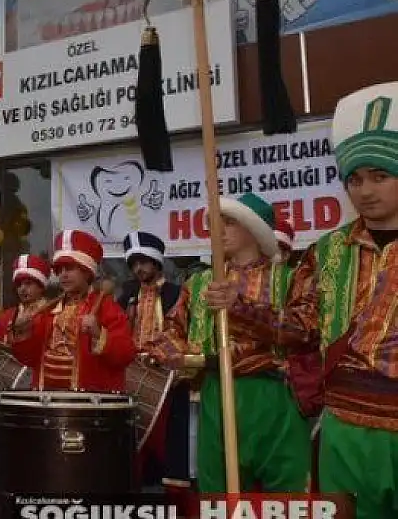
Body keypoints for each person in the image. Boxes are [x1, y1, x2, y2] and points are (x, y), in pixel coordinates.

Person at [273, 83, 398, 518]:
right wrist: (239, 306)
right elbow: (300, 328)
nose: (365, 191)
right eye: (355, 179)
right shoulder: (327, 251)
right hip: (344, 427)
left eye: (380, 176)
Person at [147, 193, 310, 494]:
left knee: (287, 495)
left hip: (273, 394)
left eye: (229, 222)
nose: (218, 231)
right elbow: (170, 330)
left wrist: (241, 308)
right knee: (218, 492)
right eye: (214, 224)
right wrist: (174, 354)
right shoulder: (197, 283)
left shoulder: (289, 278)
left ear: (255, 229)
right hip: (215, 393)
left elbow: (303, 331)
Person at [115, 231, 189, 493]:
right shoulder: (126, 295)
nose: (138, 268)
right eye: (134, 263)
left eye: (143, 262)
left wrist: (156, 352)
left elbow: (181, 331)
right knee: (136, 438)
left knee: (172, 439)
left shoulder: (177, 293)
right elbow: (117, 331)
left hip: (169, 379)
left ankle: (174, 498)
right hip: (134, 378)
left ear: (156, 262)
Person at [20, 230, 136, 392]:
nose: (63, 275)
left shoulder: (107, 308)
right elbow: (28, 359)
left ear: (87, 271)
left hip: (89, 405)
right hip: (47, 401)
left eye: (69, 268)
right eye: (59, 270)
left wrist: (98, 333)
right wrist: (23, 333)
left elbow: (126, 355)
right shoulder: (48, 311)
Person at [0, 254, 50, 362]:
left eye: (28, 284)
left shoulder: (52, 313)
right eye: (19, 285)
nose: (22, 289)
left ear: (41, 287)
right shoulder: (7, 316)